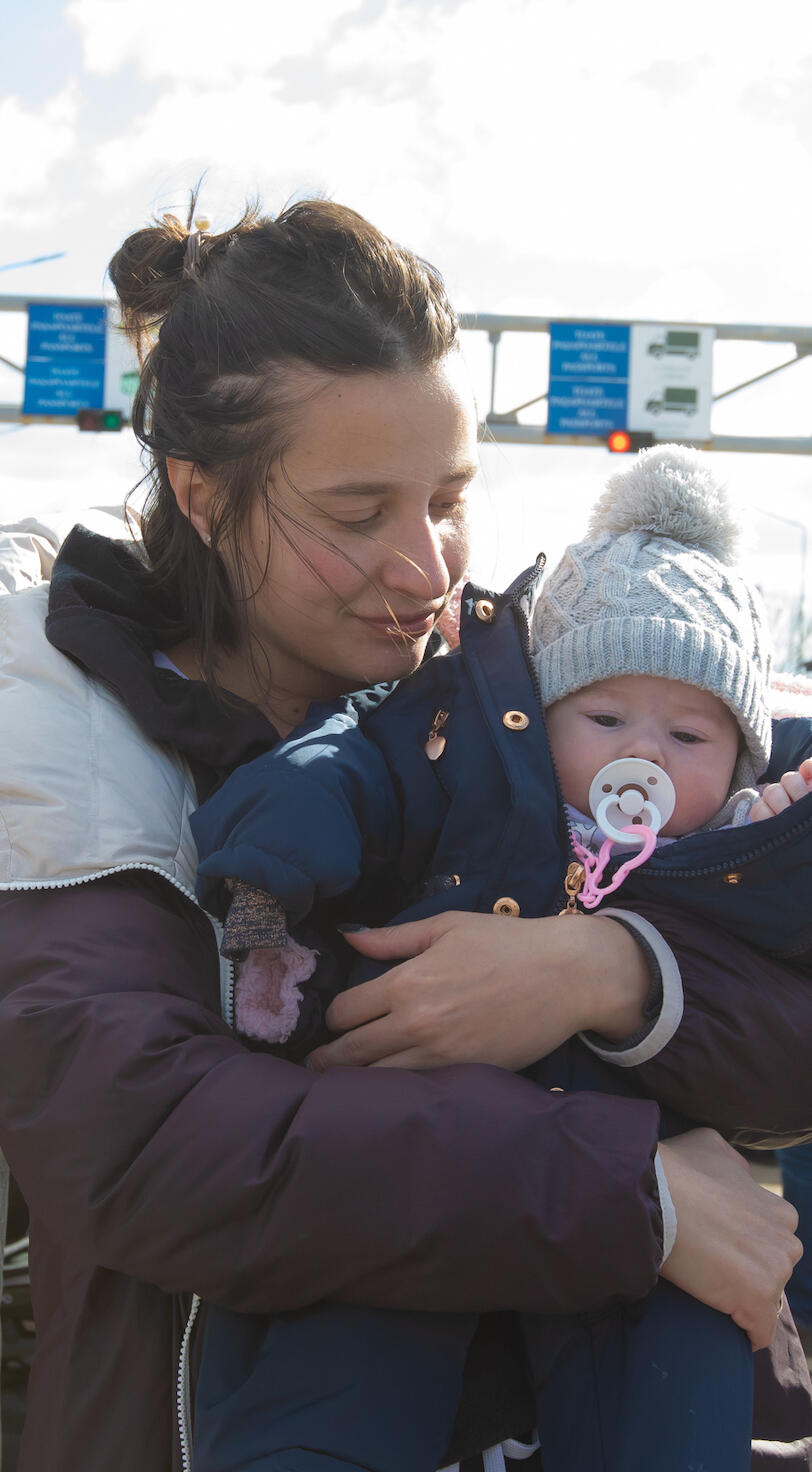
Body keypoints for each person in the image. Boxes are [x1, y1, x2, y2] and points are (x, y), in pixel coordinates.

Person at [0, 199, 806, 1472]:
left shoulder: (521, 705)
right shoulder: (56, 717)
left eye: (449, 497)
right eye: (358, 512)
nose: (426, 566)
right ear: (204, 495)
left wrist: (610, 970)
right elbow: (142, 1146)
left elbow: (780, 1050)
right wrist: (626, 1195)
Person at [189, 445, 812, 1472]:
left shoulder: (729, 860)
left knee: (679, 1382)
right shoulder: (461, 779)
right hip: (422, 1174)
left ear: (743, 755)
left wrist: (782, 834)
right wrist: (268, 872)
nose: (644, 756)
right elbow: (336, 775)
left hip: (650, 1230)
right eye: (605, 718)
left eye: (691, 734)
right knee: (345, 1368)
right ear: (535, 714)